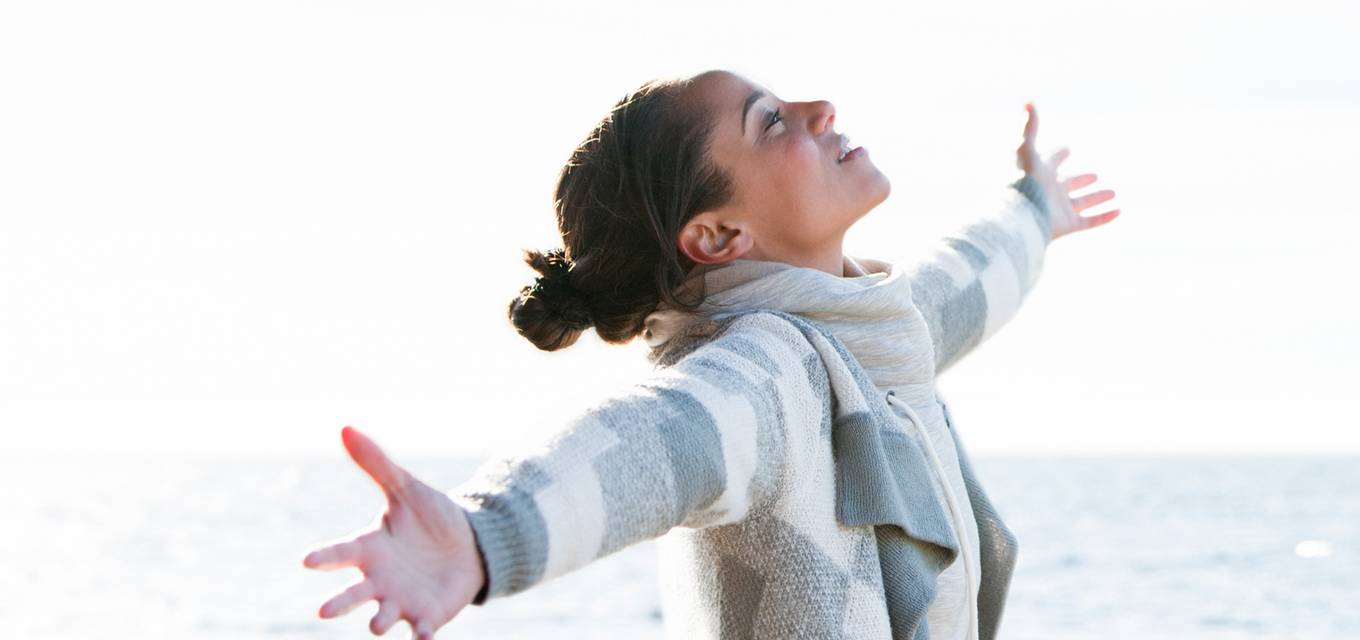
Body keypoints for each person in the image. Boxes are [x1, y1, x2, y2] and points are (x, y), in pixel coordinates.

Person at [301, 69, 1119, 640]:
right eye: (770, 122)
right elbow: (658, 441)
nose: (819, 106)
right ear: (719, 236)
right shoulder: (765, 371)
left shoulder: (869, 334)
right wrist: (486, 536)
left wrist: (1035, 208)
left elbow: (961, 286)